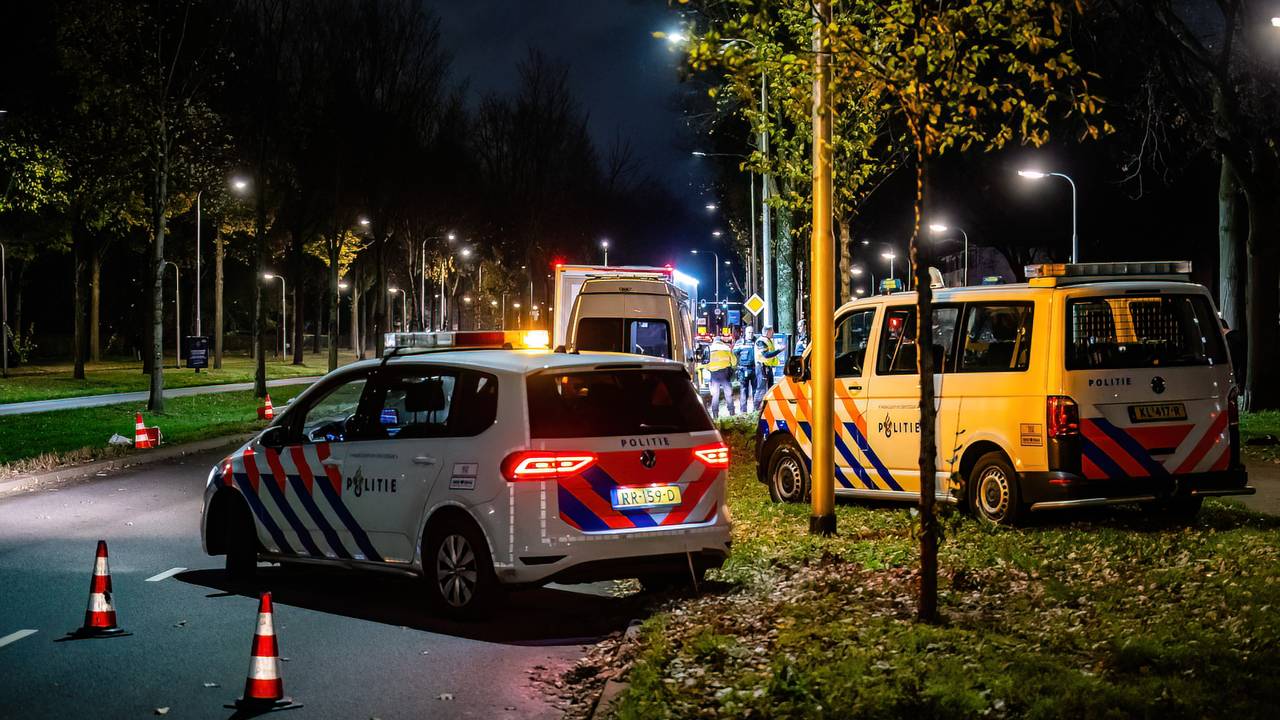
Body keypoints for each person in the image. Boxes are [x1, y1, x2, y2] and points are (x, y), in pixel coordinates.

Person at [702, 333, 736, 419]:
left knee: (715, 395)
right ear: (721, 341)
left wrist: (711, 368)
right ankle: (732, 413)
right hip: (725, 374)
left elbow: (705, 364)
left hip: (714, 376)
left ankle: (715, 415)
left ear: (714, 341)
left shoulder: (708, 349)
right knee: (728, 394)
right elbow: (734, 362)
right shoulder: (727, 348)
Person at [755, 325, 783, 404]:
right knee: (761, 389)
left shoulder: (767, 340)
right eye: (772, 331)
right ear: (767, 332)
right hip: (762, 368)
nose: (773, 333)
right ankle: (757, 408)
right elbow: (766, 355)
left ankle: (768, 406)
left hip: (767, 367)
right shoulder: (761, 341)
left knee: (770, 388)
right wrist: (779, 350)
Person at [733, 326, 758, 414]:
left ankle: (756, 410)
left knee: (756, 391)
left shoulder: (757, 341)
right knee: (743, 391)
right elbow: (734, 353)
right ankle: (743, 411)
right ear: (745, 333)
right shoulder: (740, 342)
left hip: (755, 369)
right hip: (743, 370)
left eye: (752, 332)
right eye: (749, 332)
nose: (750, 334)